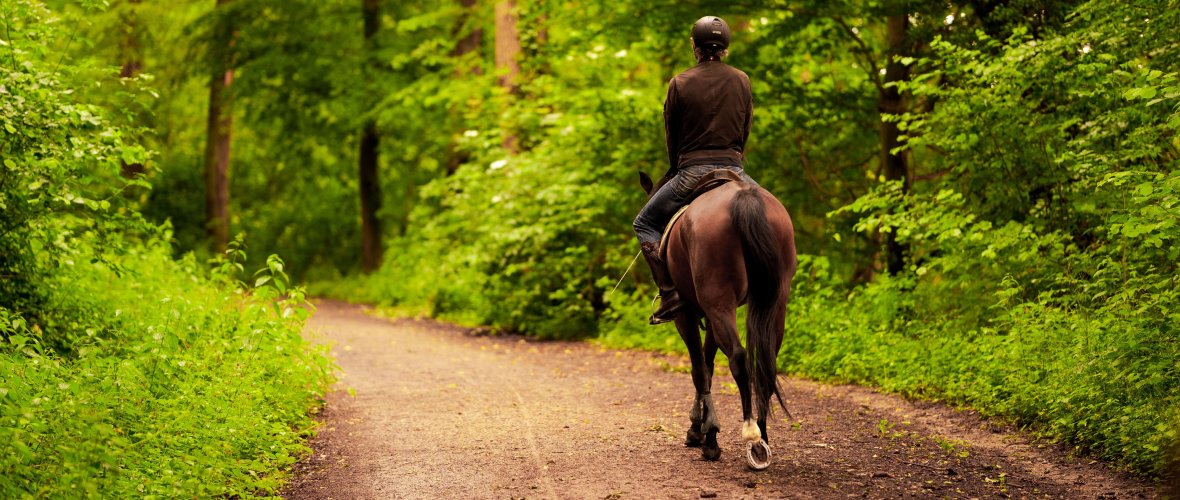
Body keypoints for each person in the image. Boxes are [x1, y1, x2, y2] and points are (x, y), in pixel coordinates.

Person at [633, 15, 758, 325]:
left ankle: (669, 293)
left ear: (695, 47)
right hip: (735, 169)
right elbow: (745, 129)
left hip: (691, 171)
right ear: (725, 48)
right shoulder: (742, 80)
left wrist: (676, 167)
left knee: (644, 222)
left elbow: (671, 136)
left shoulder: (680, 82)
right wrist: (734, 158)